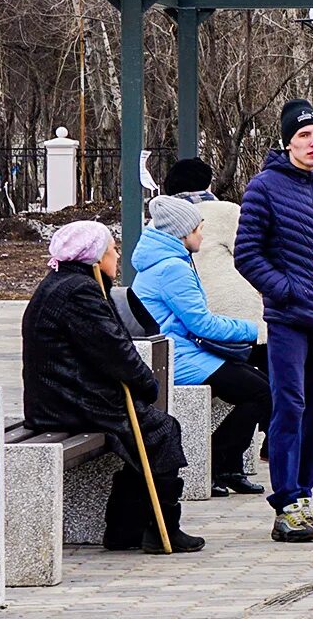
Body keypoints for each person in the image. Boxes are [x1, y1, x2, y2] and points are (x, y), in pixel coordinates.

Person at [22, 221, 202, 553]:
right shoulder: (79, 290)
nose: (117, 256)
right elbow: (114, 349)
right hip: (69, 401)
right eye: (112, 250)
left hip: (61, 396)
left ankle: (125, 527)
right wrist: (147, 385)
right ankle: (160, 526)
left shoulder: (63, 283)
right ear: (95, 258)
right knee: (162, 430)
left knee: (150, 434)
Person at [235, 99, 313, 544]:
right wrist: (286, 289)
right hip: (290, 320)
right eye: (304, 135)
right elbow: (247, 254)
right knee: (289, 406)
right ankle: (285, 502)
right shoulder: (264, 188)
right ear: (287, 140)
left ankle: (304, 496)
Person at [132, 195, 269, 498]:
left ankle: (229, 466)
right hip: (175, 357)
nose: (202, 236)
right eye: (197, 230)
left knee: (258, 384)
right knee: (262, 392)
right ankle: (216, 461)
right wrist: (253, 329)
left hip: (179, 351)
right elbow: (201, 324)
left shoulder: (165, 261)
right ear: (181, 233)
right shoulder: (172, 268)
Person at [163, 158, 264, 341]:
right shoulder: (226, 212)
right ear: (207, 184)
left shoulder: (158, 225)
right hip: (239, 314)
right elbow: (255, 257)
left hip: (188, 320)